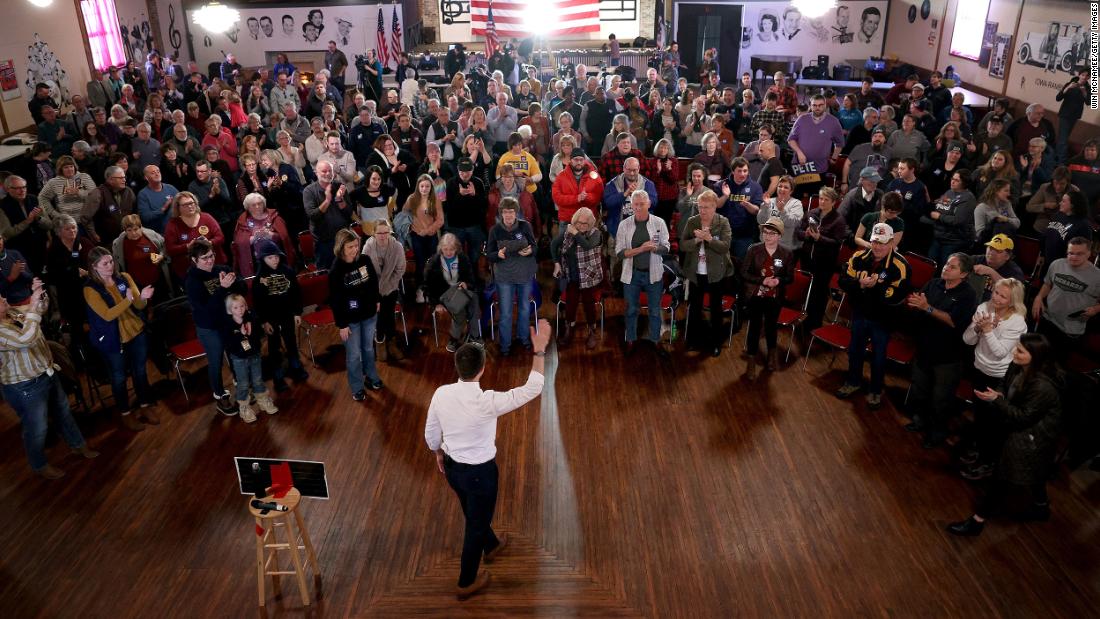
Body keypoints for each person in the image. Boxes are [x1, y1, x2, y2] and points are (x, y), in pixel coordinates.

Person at [424, 316, 549, 600]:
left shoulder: (441, 394)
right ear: (482, 370)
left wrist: (438, 452)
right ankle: (466, 582)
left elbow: (431, 431)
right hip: (481, 474)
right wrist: (539, 350)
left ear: (458, 367)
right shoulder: (487, 402)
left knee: (472, 510)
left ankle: (491, 545)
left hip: (454, 470)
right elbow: (533, 388)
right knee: (475, 525)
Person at [947, 334, 1062, 536]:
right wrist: (998, 394)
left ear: (1035, 356)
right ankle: (1041, 507)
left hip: (1032, 438)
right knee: (1035, 474)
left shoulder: (1042, 386)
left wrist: (996, 401)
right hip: (1018, 428)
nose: (1013, 353)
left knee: (1001, 478)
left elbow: (1022, 417)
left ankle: (977, 521)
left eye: (1020, 351)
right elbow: (1004, 384)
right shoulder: (1017, 365)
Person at [0, 279, 98, 478]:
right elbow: (25, 339)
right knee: (37, 428)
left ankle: (78, 445)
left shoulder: (11, 313)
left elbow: (39, 309)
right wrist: (34, 307)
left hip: (46, 372)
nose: (3, 298)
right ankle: (39, 465)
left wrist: (39, 294)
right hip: (24, 386)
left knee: (64, 413)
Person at [903, 254, 979, 448]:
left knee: (940, 399)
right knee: (920, 389)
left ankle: (937, 433)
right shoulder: (934, 283)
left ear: (963, 273)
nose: (946, 268)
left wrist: (927, 308)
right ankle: (919, 421)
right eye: (946, 264)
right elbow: (918, 302)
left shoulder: (968, 295)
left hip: (948, 357)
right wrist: (914, 304)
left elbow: (954, 321)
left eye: (952, 267)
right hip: (924, 348)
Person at [835, 223, 911, 409]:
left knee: (878, 356)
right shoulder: (858, 257)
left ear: (892, 243)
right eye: (875, 242)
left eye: (883, 243)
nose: (877, 247)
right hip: (860, 313)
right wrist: (860, 285)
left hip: (883, 318)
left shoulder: (900, 265)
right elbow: (843, 281)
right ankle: (853, 381)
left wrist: (875, 287)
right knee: (855, 350)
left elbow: (898, 295)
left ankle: (876, 390)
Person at [958, 278, 1028, 480]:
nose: (996, 298)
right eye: (996, 293)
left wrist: (988, 330)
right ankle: (980, 451)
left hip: (1000, 376)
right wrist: (978, 328)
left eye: (1002, 296)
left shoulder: (1017, 322)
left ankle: (989, 462)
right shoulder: (983, 307)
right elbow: (967, 339)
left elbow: (999, 353)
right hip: (979, 368)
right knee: (980, 414)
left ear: (1012, 301)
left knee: (993, 422)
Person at [83, 247, 157, 431]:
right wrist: (128, 300)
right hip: (112, 340)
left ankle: (145, 406)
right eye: (105, 263)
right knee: (119, 378)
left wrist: (144, 298)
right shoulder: (90, 289)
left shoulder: (123, 277)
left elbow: (138, 303)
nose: (110, 266)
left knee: (140, 372)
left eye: (111, 261)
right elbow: (108, 315)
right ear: (94, 267)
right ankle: (125, 413)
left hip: (135, 331)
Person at [184, 238, 244, 415]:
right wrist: (223, 288)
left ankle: (241, 386)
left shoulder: (222, 269)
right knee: (216, 362)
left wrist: (234, 283)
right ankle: (220, 396)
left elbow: (242, 289)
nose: (210, 260)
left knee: (235, 355)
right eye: (204, 258)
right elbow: (207, 309)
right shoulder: (192, 281)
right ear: (195, 261)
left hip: (227, 323)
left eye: (211, 256)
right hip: (209, 328)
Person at [329, 228, 384, 400]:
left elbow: (373, 282)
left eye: (356, 245)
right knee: (353, 355)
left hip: (368, 314)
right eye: (350, 247)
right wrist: (342, 324)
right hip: (350, 320)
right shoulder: (336, 270)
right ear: (341, 247)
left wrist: (377, 300)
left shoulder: (365, 260)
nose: (355, 249)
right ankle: (357, 386)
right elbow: (335, 300)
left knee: (368, 349)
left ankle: (371, 377)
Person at [616, 190, 671, 357]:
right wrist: (641, 249)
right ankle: (631, 339)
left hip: (653, 274)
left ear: (649, 204)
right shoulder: (624, 225)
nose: (639, 207)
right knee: (631, 309)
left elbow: (666, 247)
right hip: (631, 275)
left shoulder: (659, 222)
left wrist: (655, 248)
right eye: (636, 204)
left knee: (654, 310)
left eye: (642, 204)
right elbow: (619, 253)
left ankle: (655, 340)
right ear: (631, 206)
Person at [680, 190, 733, 357]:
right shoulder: (692, 222)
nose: (702, 211)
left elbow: (725, 246)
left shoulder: (723, 222)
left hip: (716, 274)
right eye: (700, 207)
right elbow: (683, 245)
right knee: (694, 308)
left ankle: (715, 343)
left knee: (716, 310)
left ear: (714, 207)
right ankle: (693, 340)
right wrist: (697, 240)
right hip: (696, 273)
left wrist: (709, 239)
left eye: (707, 207)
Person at [741, 216, 795, 377]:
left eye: (772, 233)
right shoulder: (754, 249)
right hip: (755, 295)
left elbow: (790, 277)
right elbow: (743, 273)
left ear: (779, 236)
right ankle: (751, 361)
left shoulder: (787, 253)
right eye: (765, 232)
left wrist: (778, 280)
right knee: (754, 327)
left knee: (771, 327)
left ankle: (771, 356)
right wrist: (762, 280)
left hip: (775, 296)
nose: (767, 236)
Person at [1031, 237, 1100, 358]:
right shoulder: (1057, 264)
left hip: (1070, 330)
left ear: (1089, 254)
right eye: (1070, 253)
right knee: (1036, 357)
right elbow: (1048, 284)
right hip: (1048, 320)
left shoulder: (1097, 276)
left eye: (1079, 254)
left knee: (1056, 366)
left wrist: (1096, 309)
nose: (1073, 257)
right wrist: (1039, 297)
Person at [486, 198, 538, 355]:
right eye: (505, 212)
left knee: (523, 309)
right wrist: (498, 255)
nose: (508, 215)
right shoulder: (495, 230)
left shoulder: (525, 226)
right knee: (506, 312)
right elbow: (490, 255)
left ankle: (523, 338)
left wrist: (530, 251)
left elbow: (535, 248)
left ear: (516, 213)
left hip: (524, 274)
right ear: (501, 213)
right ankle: (505, 344)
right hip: (504, 277)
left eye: (511, 211)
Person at [796, 187, 849, 331]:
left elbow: (837, 243)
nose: (822, 202)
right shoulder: (811, 213)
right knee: (807, 290)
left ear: (833, 202)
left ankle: (814, 323)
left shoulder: (838, 220)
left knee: (818, 294)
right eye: (821, 198)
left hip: (825, 262)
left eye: (826, 199)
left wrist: (820, 238)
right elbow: (798, 232)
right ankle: (804, 317)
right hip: (807, 258)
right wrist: (806, 234)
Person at [551, 207, 603, 350]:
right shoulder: (569, 232)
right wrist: (556, 263)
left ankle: (592, 331)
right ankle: (569, 329)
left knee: (589, 305)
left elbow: (587, 246)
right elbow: (553, 244)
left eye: (585, 224)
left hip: (589, 277)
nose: (580, 226)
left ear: (591, 223)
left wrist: (575, 233)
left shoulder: (595, 234)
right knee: (570, 304)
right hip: (572, 275)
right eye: (578, 222)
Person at [221, 293, 279, 423]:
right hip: (239, 359)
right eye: (235, 307)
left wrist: (251, 334)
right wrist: (241, 335)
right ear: (230, 310)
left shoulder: (252, 318)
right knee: (243, 384)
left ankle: (263, 400)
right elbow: (228, 344)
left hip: (254, 355)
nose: (240, 310)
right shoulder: (227, 324)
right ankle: (244, 407)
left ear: (246, 306)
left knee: (258, 379)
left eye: (242, 306)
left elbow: (259, 335)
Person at [426, 233, 482, 353]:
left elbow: (471, 279)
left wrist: (467, 284)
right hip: (446, 295)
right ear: (441, 248)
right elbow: (428, 286)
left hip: (463, 291)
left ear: (456, 248)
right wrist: (435, 304)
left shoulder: (463, 259)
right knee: (459, 312)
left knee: (474, 304)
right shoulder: (434, 262)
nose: (448, 252)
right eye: (445, 249)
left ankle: (474, 336)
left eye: (451, 249)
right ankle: (454, 339)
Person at [362, 220, 407, 361]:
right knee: (379, 317)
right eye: (379, 233)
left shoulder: (397, 247)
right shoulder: (368, 246)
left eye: (385, 232)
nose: (382, 236)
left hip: (391, 287)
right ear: (374, 233)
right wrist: (373, 288)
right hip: (372, 290)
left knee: (389, 315)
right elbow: (363, 270)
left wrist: (388, 285)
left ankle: (391, 342)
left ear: (390, 232)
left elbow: (400, 269)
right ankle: (380, 341)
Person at [164, 192, 227, 282]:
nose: (190, 206)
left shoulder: (206, 217)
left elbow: (220, 237)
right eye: (185, 205)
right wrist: (187, 246)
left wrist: (209, 243)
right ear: (178, 207)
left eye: (191, 203)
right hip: (190, 272)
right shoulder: (172, 225)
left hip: (215, 266)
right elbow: (170, 249)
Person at [303, 161, 355, 270]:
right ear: (316, 172)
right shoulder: (309, 191)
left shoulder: (340, 186)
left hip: (343, 239)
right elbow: (313, 215)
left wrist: (339, 200)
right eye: (324, 171)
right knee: (328, 273)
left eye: (330, 171)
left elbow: (349, 213)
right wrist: (327, 200)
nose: (327, 174)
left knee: (347, 270)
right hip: (324, 243)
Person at [232, 193, 295, 278]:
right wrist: (254, 238)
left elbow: (285, 237)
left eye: (259, 203)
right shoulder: (243, 221)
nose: (257, 206)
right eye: (253, 205)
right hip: (256, 261)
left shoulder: (274, 216)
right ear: (248, 208)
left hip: (277, 257)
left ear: (264, 204)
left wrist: (270, 235)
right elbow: (239, 243)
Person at [924, 169, 977, 266]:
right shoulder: (949, 192)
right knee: (930, 264)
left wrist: (939, 216)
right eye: (952, 178)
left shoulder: (968, 198)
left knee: (946, 267)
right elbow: (939, 206)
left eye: (957, 180)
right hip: (939, 236)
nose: (952, 181)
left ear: (964, 183)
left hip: (954, 240)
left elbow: (958, 220)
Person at [1, 175, 51, 274]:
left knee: (47, 276)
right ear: (7, 189)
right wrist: (28, 221)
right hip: (20, 251)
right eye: (17, 188)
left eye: (24, 187)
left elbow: (49, 224)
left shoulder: (33, 199)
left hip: (41, 246)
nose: (22, 190)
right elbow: (7, 233)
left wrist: (39, 219)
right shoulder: (2, 206)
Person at [715, 157, 764, 258]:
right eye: (739, 171)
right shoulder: (721, 185)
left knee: (741, 263)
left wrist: (747, 204)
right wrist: (725, 196)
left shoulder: (756, 187)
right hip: (723, 233)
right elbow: (716, 205)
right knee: (721, 262)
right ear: (733, 171)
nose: (742, 174)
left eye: (745, 171)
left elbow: (756, 211)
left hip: (745, 235)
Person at [1040, 191, 1093, 275]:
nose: (1060, 203)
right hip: (1047, 264)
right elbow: (1047, 235)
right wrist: (1042, 254)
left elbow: (1084, 251)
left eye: (1064, 201)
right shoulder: (1058, 215)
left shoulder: (1083, 225)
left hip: (1065, 269)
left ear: (1072, 205)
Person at [971, 234, 1026, 301]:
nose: (991, 252)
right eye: (990, 248)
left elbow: (1016, 294)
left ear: (1007, 256)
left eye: (998, 251)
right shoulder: (977, 260)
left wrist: (991, 272)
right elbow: (958, 261)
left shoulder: (1015, 272)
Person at [756, 176, 803, 252]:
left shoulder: (796, 204)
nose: (782, 189)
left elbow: (794, 223)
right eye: (780, 186)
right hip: (765, 245)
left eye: (786, 187)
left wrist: (782, 211)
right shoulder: (769, 201)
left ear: (791, 191)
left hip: (784, 248)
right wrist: (765, 206)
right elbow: (760, 221)